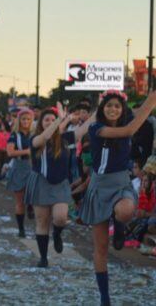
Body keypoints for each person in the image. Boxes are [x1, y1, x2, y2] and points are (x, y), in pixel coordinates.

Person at [78, 90, 156, 306]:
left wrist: (151, 98)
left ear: (123, 110)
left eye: (117, 106)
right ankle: (105, 296)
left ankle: (120, 224)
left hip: (121, 182)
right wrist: (152, 101)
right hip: (98, 186)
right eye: (108, 105)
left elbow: (139, 115)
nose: (113, 109)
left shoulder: (128, 121)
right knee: (101, 248)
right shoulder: (96, 128)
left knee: (125, 210)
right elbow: (130, 129)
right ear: (102, 109)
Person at [26, 104, 90, 268]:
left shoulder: (65, 138)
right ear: (41, 123)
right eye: (46, 120)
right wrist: (60, 120)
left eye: (52, 119)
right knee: (42, 221)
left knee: (60, 217)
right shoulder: (35, 139)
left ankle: (58, 233)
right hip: (41, 182)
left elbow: (83, 129)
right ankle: (43, 257)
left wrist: (101, 107)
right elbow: (46, 137)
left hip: (60, 183)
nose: (50, 122)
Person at [5, 108, 33, 237]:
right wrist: (26, 152)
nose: (26, 121)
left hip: (33, 168)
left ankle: (31, 207)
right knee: (19, 201)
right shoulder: (14, 135)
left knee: (34, 195)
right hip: (19, 167)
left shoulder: (35, 134)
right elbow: (10, 152)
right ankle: (21, 229)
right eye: (23, 119)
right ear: (19, 121)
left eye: (28, 119)